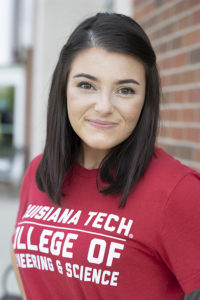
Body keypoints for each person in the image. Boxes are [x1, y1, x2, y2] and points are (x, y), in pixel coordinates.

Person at [11, 12, 200, 300]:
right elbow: (20, 253)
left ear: (145, 100)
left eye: (125, 90)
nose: (103, 106)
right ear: (63, 89)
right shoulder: (40, 171)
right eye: (87, 85)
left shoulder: (178, 191)